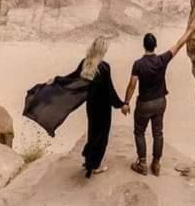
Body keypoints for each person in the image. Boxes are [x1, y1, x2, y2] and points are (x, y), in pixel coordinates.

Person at [23, 36, 128, 178]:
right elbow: (109, 90)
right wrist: (121, 104)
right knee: (102, 135)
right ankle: (95, 165)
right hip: (103, 107)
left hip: (91, 106)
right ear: (102, 50)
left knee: (93, 132)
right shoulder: (103, 67)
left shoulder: (85, 63)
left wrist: (57, 80)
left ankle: (89, 161)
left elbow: (71, 78)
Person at [123, 18, 195, 176]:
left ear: (144, 46)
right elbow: (179, 44)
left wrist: (126, 103)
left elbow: (132, 85)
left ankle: (142, 164)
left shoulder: (138, 64)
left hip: (144, 104)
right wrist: (191, 30)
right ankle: (156, 164)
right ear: (155, 45)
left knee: (139, 132)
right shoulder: (161, 60)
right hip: (160, 102)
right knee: (158, 132)